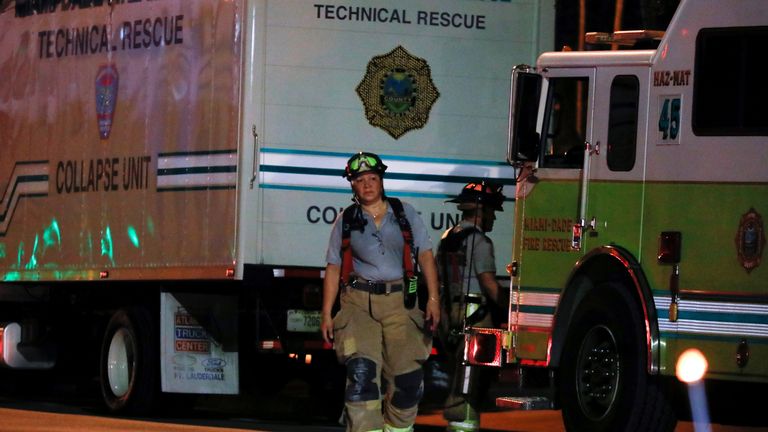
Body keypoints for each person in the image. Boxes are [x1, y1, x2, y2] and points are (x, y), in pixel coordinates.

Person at [321, 151, 441, 432]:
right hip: (358, 304)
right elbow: (334, 268)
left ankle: (397, 429)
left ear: (382, 180)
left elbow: (425, 256)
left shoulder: (405, 213)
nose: (367, 184)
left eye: (373, 178)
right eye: (360, 180)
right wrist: (327, 312)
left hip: (400, 302)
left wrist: (433, 299)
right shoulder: (346, 219)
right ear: (352, 185)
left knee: (408, 380)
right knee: (362, 375)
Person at [437, 180, 505, 432]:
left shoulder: (447, 238)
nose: (494, 219)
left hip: (449, 318)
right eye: (492, 212)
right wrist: (511, 308)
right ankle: (463, 425)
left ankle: (458, 421)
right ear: (480, 210)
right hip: (476, 318)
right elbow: (488, 284)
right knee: (472, 383)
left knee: (458, 377)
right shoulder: (481, 242)